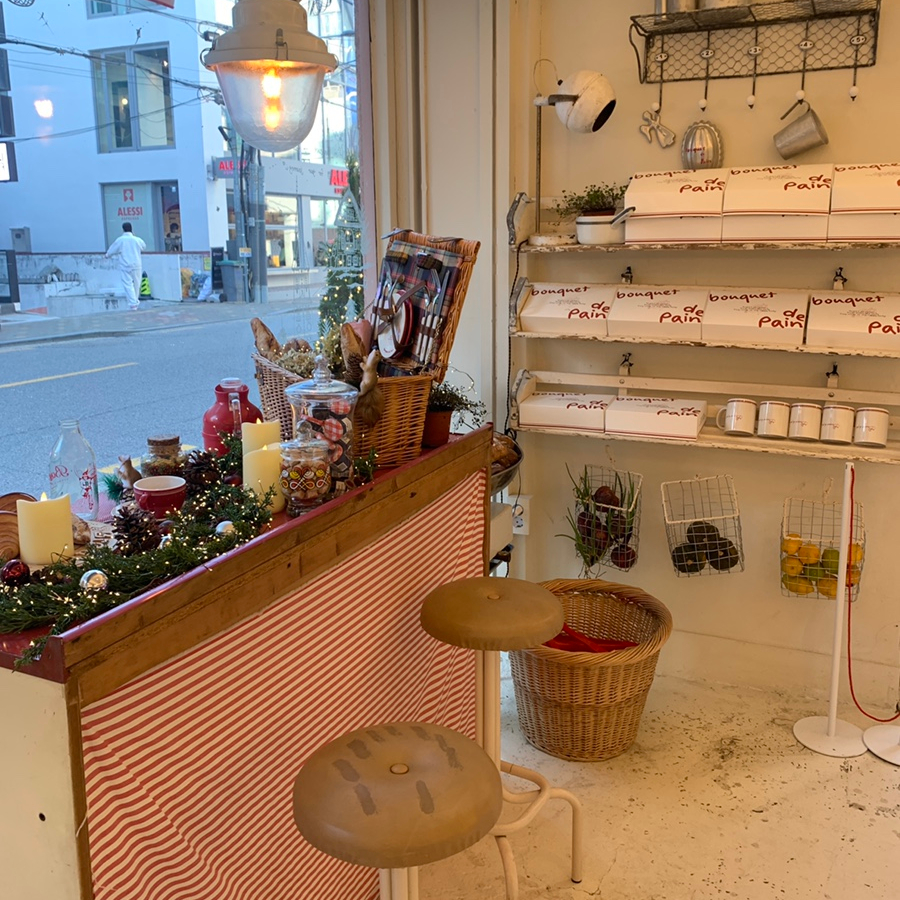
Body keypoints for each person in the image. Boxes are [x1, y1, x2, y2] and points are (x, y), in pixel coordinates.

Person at [105, 222, 146, 310]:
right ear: (132, 229)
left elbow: (112, 250)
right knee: (137, 284)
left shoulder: (120, 240)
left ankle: (133, 303)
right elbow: (143, 246)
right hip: (137, 264)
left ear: (123, 229)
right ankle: (135, 301)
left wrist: (107, 255)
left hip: (125, 265)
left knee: (128, 284)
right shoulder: (137, 240)